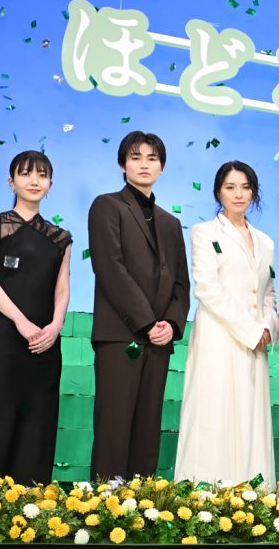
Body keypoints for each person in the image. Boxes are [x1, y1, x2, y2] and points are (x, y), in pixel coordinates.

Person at [0, 151, 71, 485]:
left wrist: (55, 326)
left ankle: (28, 501)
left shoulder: (61, 237)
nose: (34, 181)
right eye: (25, 174)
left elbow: (62, 288)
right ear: (11, 182)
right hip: (5, 336)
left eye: (42, 175)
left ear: (50, 184)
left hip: (45, 343)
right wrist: (21, 322)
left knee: (38, 421)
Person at [88, 130, 190, 480]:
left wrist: (170, 325)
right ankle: (105, 504)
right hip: (121, 336)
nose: (144, 164)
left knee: (148, 431)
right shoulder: (107, 205)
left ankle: (140, 504)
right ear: (122, 165)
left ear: (162, 167)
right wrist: (147, 322)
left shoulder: (170, 222)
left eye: (152, 158)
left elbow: (181, 282)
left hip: (159, 340)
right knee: (114, 426)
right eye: (135, 158)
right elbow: (109, 268)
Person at [174, 161, 279, 489]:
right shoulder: (204, 233)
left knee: (251, 417)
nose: (238, 194)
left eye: (245, 187)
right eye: (230, 187)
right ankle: (204, 495)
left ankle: (253, 496)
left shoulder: (265, 241)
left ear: (254, 193)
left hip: (255, 343)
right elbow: (207, 288)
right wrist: (250, 330)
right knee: (214, 413)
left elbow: (269, 292)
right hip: (218, 337)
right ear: (218, 192)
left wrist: (267, 327)